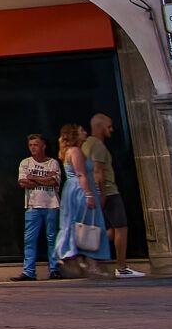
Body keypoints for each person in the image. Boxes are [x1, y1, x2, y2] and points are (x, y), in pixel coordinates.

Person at [86, 111, 141, 278]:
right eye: (109, 126)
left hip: (103, 192)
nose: (111, 130)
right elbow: (98, 172)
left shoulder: (87, 144)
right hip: (109, 192)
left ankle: (89, 256)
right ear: (101, 127)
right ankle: (122, 267)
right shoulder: (97, 145)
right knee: (121, 228)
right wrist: (102, 194)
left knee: (108, 230)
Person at [55, 122, 104, 278]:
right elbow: (81, 174)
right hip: (79, 189)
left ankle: (83, 260)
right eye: (82, 130)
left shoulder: (72, 151)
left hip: (75, 188)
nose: (85, 132)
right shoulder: (75, 151)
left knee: (78, 223)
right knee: (87, 223)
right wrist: (89, 194)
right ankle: (87, 262)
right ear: (74, 134)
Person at [17, 133, 64, 281]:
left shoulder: (53, 163)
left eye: (35, 145)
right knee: (29, 239)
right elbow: (23, 183)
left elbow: (55, 182)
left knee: (52, 238)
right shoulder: (25, 162)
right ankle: (29, 271)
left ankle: (54, 269)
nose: (32, 148)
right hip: (33, 205)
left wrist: (34, 178)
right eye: (30, 145)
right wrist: (45, 179)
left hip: (52, 205)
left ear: (43, 146)